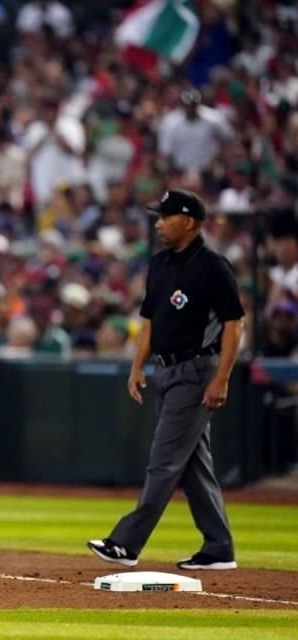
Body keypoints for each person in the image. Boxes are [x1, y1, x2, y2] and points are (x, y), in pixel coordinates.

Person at [88, 188, 245, 571]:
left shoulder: (212, 265)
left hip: (196, 370)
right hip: (165, 369)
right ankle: (219, 547)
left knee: (164, 461)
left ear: (189, 221)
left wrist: (221, 378)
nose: (158, 223)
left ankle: (126, 543)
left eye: (166, 216)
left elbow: (234, 325)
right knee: (192, 464)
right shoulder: (159, 264)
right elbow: (149, 320)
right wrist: (137, 365)